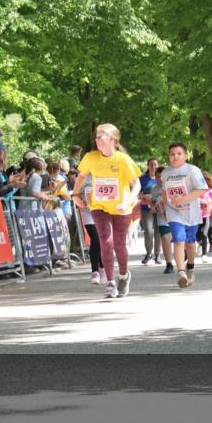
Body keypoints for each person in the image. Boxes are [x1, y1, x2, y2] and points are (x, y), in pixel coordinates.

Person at [71, 124, 141, 298]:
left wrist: (128, 201)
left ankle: (124, 275)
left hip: (121, 208)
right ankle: (110, 282)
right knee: (106, 241)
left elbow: (136, 184)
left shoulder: (123, 160)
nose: (97, 139)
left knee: (119, 244)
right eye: (96, 136)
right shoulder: (90, 157)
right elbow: (82, 176)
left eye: (101, 136)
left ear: (112, 139)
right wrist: (75, 194)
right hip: (99, 206)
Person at [161, 143, 208, 288]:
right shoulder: (165, 173)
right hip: (173, 211)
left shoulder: (192, 170)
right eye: (172, 154)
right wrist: (164, 206)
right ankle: (181, 273)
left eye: (179, 153)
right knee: (178, 239)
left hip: (191, 212)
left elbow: (202, 190)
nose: (175, 156)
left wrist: (184, 199)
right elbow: (165, 192)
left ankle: (191, 267)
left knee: (190, 243)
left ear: (185, 156)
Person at [139, 158, 161, 265]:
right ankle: (148, 253)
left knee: (158, 231)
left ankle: (157, 255)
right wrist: (144, 195)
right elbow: (137, 193)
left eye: (155, 164)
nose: (153, 167)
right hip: (146, 208)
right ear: (148, 166)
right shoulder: (143, 179)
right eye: (151, 165)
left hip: (159, 207)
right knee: (148, 231)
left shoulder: (161, 178)